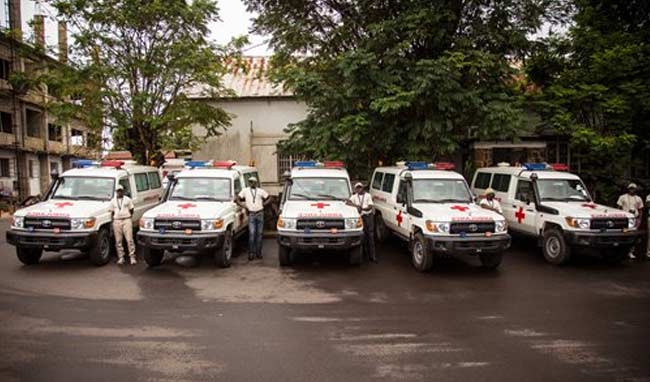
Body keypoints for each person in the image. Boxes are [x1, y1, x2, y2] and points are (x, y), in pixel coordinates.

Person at [237, 177, 270, 261]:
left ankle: (258, 253)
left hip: (260, 213)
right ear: (249, 183)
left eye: (253, 182)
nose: (252, 183)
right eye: (250, 182)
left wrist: (264, 204)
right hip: (251, 214)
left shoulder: (260, 191)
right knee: (252, 233)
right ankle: (251, 253)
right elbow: (237, 199)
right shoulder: (245, 191)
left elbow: (269, 198)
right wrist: (244, 206)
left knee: (259, 234)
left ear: (256, 183)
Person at [347, 182, 376, 263]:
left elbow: (370, 207)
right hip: (360, 217)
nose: (358, 189)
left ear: (362, 188)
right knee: (362, 236)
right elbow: (348, 202)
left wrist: (362, 209)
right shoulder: (354, 196)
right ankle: (364, 255)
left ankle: (372, 256)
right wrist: (356, 207)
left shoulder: (368, 195)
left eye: (360, 188)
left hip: (368, 216)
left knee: (370, 235)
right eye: (357, 188)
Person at [110, 185, 136, 265]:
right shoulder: (113, 201)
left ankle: (132, 256)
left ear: (123, 191)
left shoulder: (128, 200)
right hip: (117, 221)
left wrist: (128, 217)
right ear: (116, 192)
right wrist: (113, 220)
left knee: (129, 239)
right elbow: (112, 212)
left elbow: (131, 209)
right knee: (118, 241)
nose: (119, 192)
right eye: (118, 191)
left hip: (126, 219)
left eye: (121, 191)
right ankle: (121, 257)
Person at [617, 183, 643, 259]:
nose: (632, 190)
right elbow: (618, 207)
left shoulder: (638, 198)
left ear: (636, 189)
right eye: (631, 188)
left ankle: (631, 252)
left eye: (633, 188)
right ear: (628, 189)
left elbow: (640, 210)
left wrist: (639, 219)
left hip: (634, 219)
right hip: (625, 220)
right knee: (624, 234)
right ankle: (622, 251)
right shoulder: (623, 197)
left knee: (633, 235)